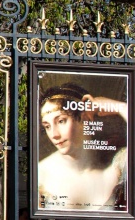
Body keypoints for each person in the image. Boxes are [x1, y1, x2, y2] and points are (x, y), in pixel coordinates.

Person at [36, 83, 128, 212]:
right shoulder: (41, 172)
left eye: (61, 121)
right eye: (47, 126)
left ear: (85, 118)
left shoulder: (118, 164)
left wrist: (119, 107)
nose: (54, 135)